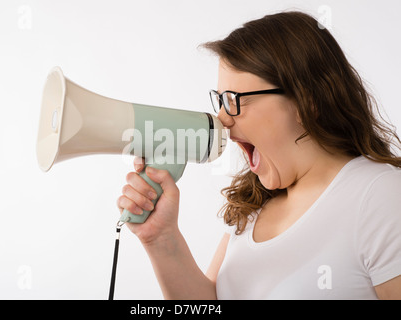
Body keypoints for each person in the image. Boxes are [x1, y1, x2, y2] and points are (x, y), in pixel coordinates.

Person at [116, 11, 401, 299]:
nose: (222, 118)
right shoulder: (250, 208)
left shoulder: (381, 196)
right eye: (221, 99)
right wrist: (162, 239)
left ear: (307, 103)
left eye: (235, 100)